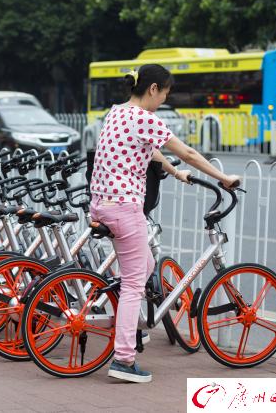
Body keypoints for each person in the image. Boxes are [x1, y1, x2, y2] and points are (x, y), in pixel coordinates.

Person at [89, 64, 240, 383]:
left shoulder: (116, 113)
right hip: (125, 207)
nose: (163, 102)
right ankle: (124, 359)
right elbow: (186, 151)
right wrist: (224, 178)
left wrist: (174, 172)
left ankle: (128, 327)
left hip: (102, 203)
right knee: (134, 284)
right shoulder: (145, 117)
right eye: (165, 95)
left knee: (143, 267)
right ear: (153, 88)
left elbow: (149, 149)